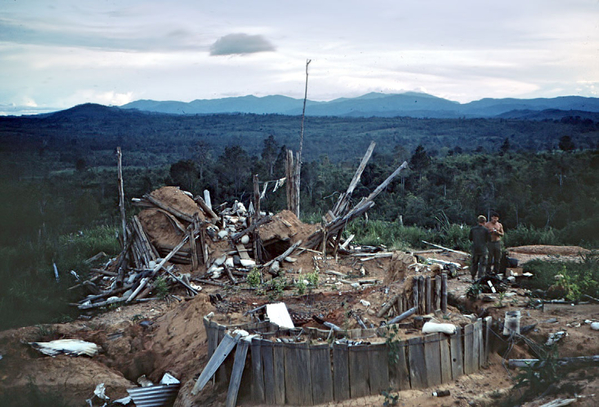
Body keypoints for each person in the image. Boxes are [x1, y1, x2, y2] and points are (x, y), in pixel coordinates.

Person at [469, 215, 490, 280]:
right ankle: (480, 278)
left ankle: (473, 276)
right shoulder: (486, 230)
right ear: (484, 222)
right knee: (482, 264)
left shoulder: (473, 229)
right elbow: (489, 239)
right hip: (483, 249)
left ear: (478, 221)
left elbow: (470, 238)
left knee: (474, 263)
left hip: (475, 249)